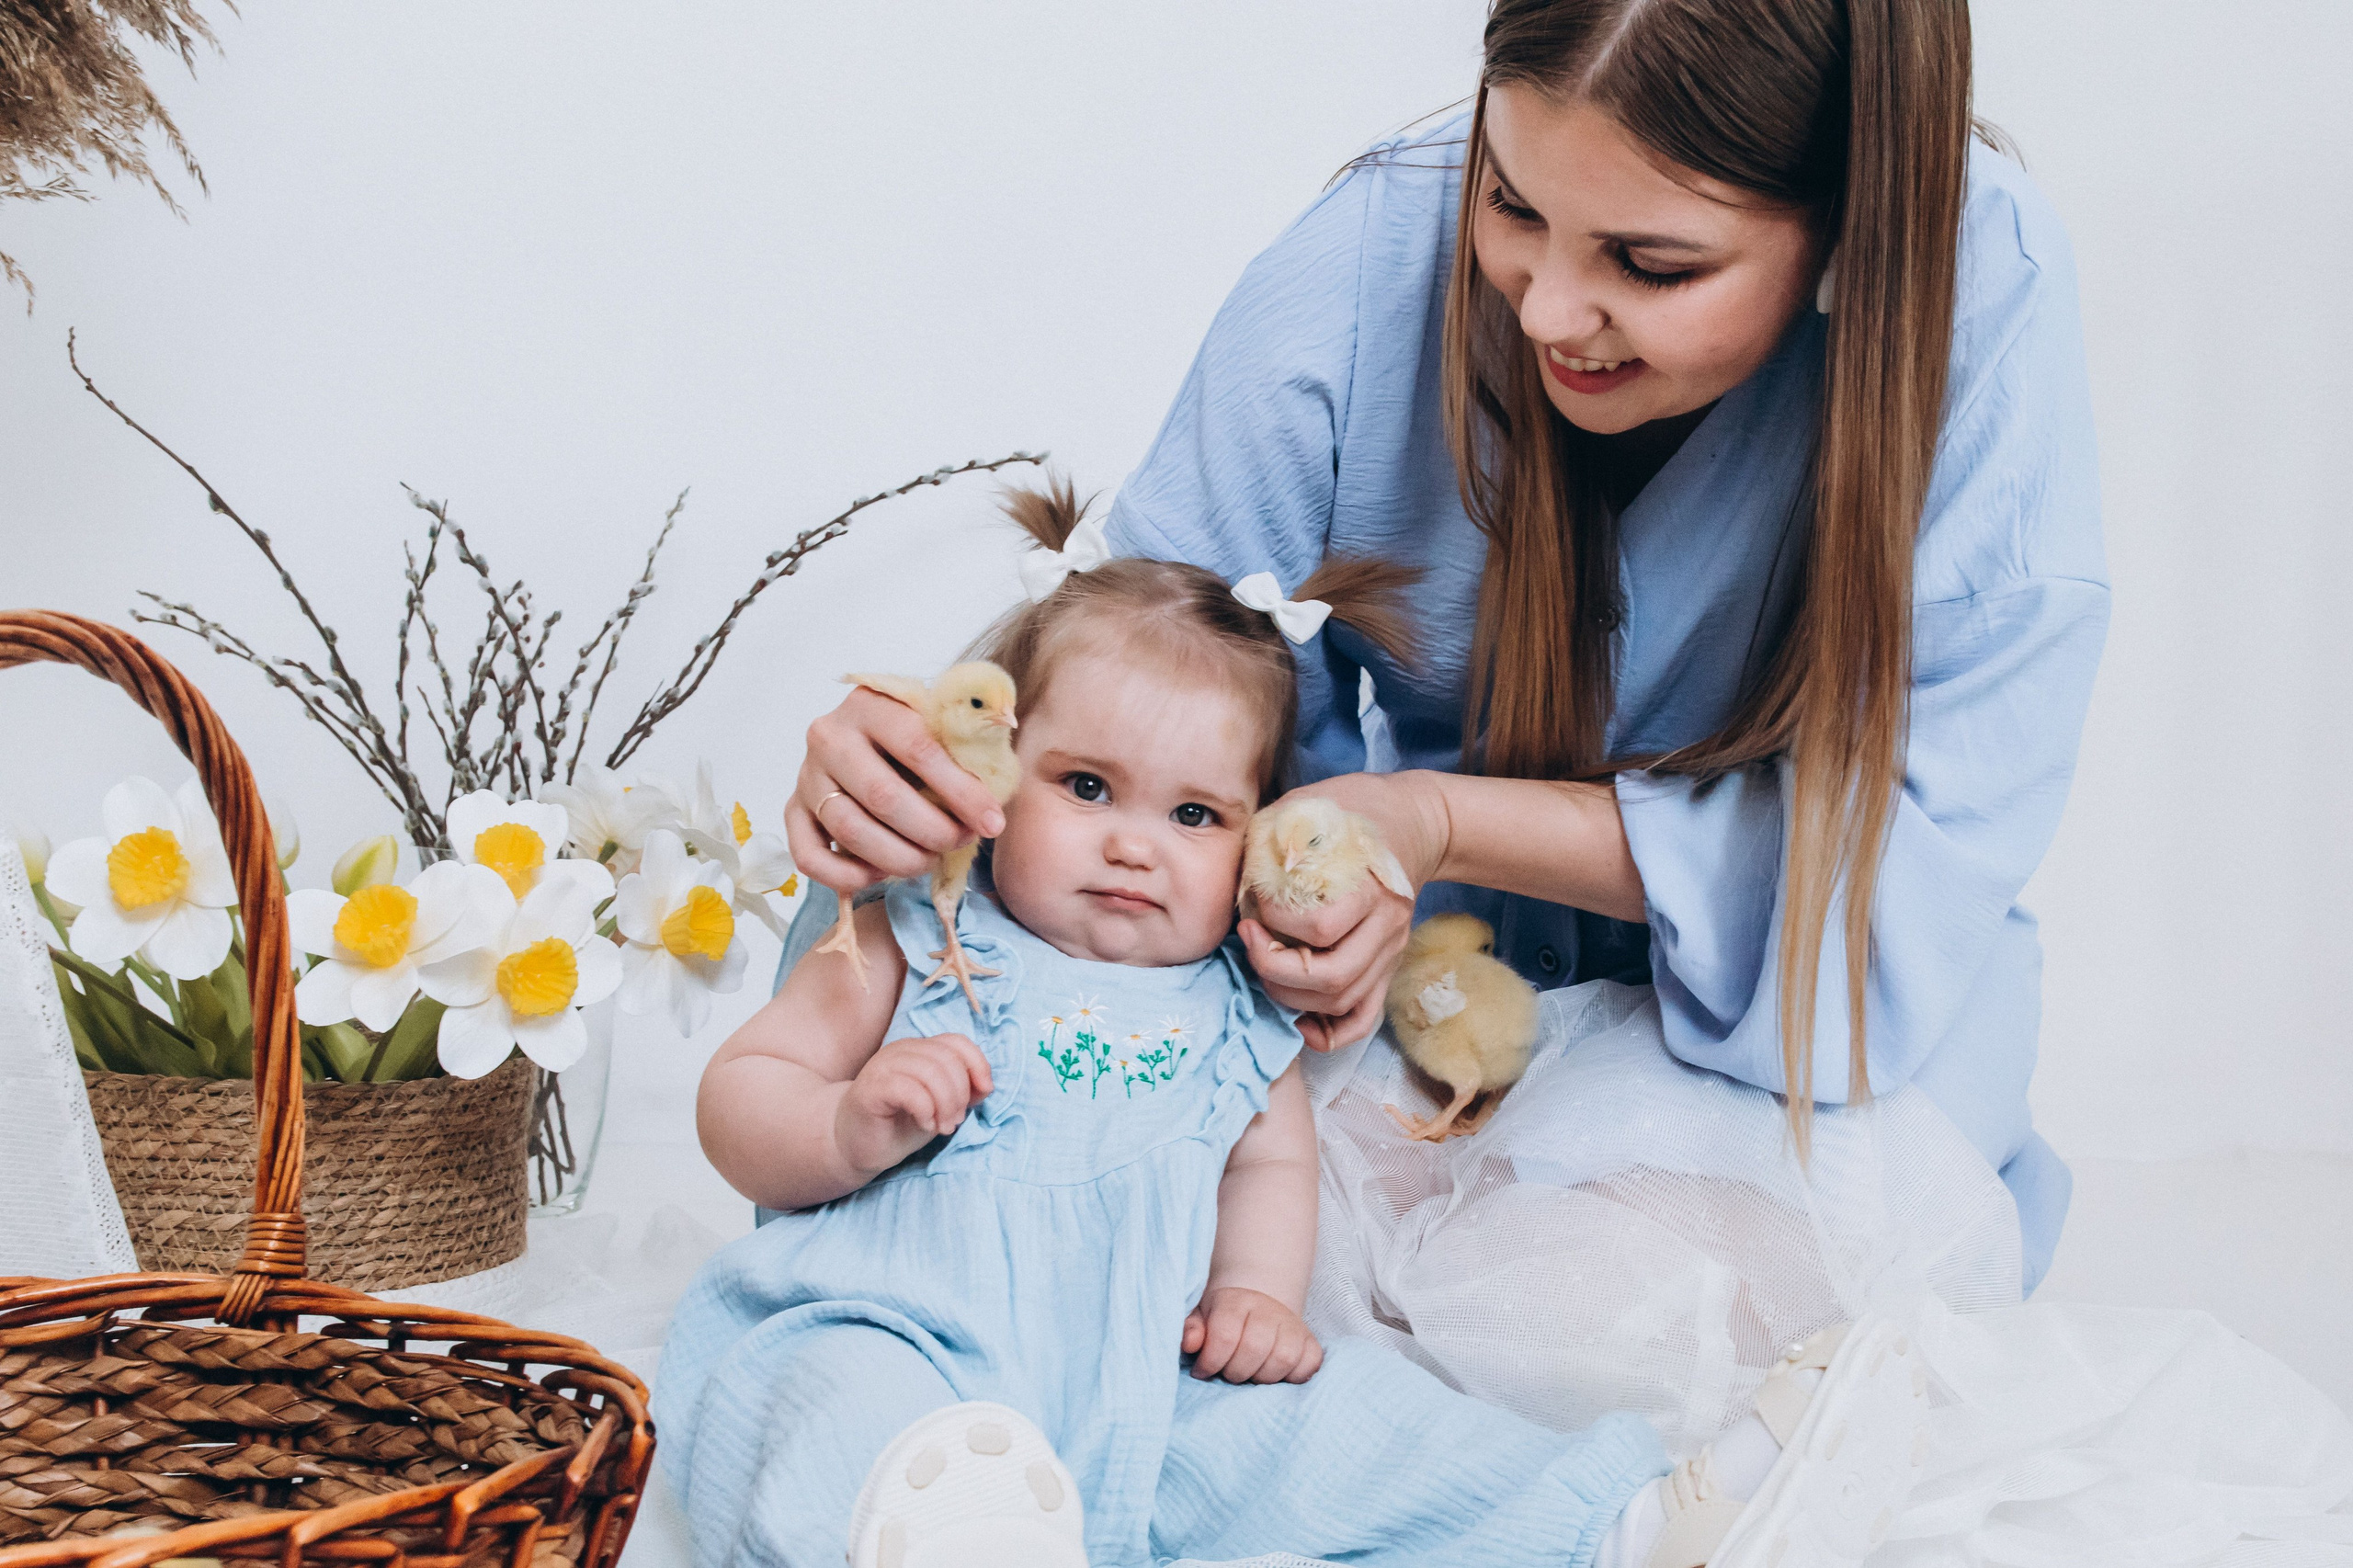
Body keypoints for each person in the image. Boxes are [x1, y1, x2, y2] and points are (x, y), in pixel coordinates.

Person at [782, 0, 2107, 1291]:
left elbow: (1886, 894)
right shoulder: (1367, 254)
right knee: (1073, 1190)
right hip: (1423, 990)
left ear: (1846, 232)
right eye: (1514, 205)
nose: (1544, 313)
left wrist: (1430, 817)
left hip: (1820, 1033)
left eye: (1651, 266)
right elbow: (1145, 648)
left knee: (1621, 1301)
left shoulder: (1981, 299)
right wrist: (940, 765)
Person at [657, 488, 1932, 1568]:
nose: (1132, 843)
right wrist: (842, 1119)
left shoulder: (1234, 1006)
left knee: (1348, 1433)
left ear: (1261, 830)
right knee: (823, 1415)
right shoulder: (913, 931)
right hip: (895, 1337)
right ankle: (942, 1522)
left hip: (1141, 1393)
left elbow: (1271, 1164)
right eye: (1087, 786)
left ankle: (1627, 1523)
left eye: (1195, 815)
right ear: (999, 767)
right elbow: (743, 1098)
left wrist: (1257, 1295)